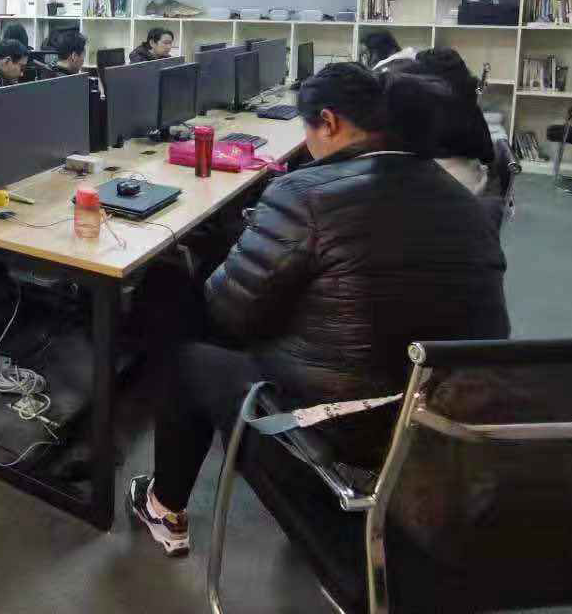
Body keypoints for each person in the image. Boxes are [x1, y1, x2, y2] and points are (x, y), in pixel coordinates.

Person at [126, 63, 509, 556]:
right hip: (451, 421)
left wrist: (233, 256)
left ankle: (164, 507)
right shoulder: (465, 201)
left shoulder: (304, 194)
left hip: (354, 429)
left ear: (328, 122)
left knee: (184, 341)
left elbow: (229, 312)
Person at [400, 47, 494, 194]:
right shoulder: (468, 105)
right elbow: (487, 154)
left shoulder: (426, 109)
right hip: (470, 179)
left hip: (449, 187)